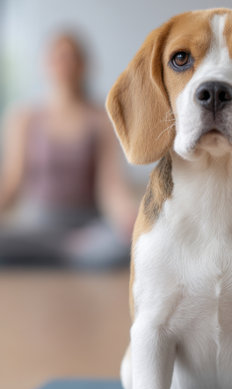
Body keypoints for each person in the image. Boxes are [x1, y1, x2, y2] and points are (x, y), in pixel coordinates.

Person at [0, 31, 136, 267]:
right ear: (46, 64)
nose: (65, 64)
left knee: (121, 247)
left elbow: (111, 187)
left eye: (72, 57)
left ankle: (66, 257)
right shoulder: (24, 119)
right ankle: (65, 259)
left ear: (84, 65)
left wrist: (131, 218)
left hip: (85, 233)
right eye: (58, 57)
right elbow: (12, 183)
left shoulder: (102, 119)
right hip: (38, 230)